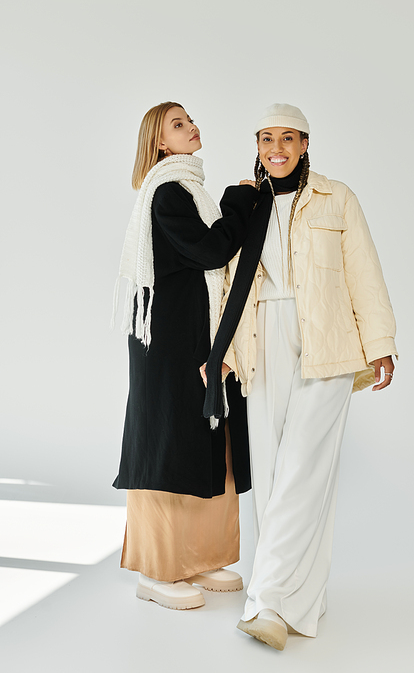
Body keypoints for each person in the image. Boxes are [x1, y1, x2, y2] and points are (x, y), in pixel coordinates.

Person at [203, 103, 397, 649]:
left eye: (288, 138)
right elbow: (226, 279)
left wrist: (381, 344)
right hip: (262, 334)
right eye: (267, 139)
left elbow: (364, 270)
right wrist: (219, 350)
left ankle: (266, 604)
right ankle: (303, 596)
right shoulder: (248, 200)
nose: (277, 149)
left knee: (303, 468)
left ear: (305, 144)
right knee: (268, 473)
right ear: (258, 146)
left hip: (328, 340)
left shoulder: (337, 198)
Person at [112, 101, 257, 611]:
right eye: (178, 124)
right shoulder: (169, 192)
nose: (192, 126)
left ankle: (199, 556)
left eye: (190, 119)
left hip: (196, 338)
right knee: (169, 444)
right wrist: (240, 200)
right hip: (168, 346)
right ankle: (157, 570)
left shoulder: (190, 190)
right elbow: (213, 250)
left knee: (206, 439)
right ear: (159, 142)